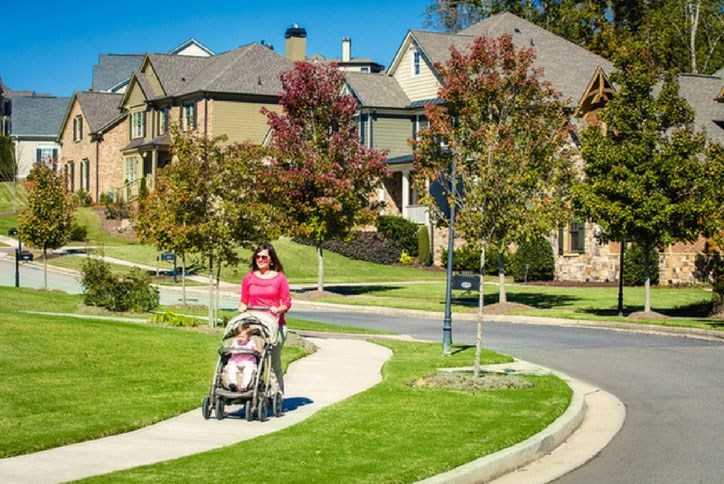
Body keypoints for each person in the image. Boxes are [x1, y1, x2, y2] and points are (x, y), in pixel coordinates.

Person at [239, 242, 291, 393]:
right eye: (258, 257)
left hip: (274, 325)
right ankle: (253, 391)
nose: (260, 260)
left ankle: (277, 394)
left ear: (271, 260)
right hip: (255, 324)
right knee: (252, 358)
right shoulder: (248, 279)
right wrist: (242, 306)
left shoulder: (279, 279)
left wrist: (278, 309)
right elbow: (244, 300)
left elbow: (287, 302)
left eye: (264, 257)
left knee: (273, 364)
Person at [224, 323, 258, 392]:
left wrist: (255, 350)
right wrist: (228, 351)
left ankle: (244, 385)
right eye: (238, 336)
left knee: (248, 370)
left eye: (242, 337)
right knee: (231, 369)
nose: (240, 339)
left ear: (248, 337)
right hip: (236, 361)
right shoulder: (235, 342)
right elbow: (230, 349)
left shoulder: (251, 342)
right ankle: (233, 383)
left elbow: (256, 350)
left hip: (248, 361)